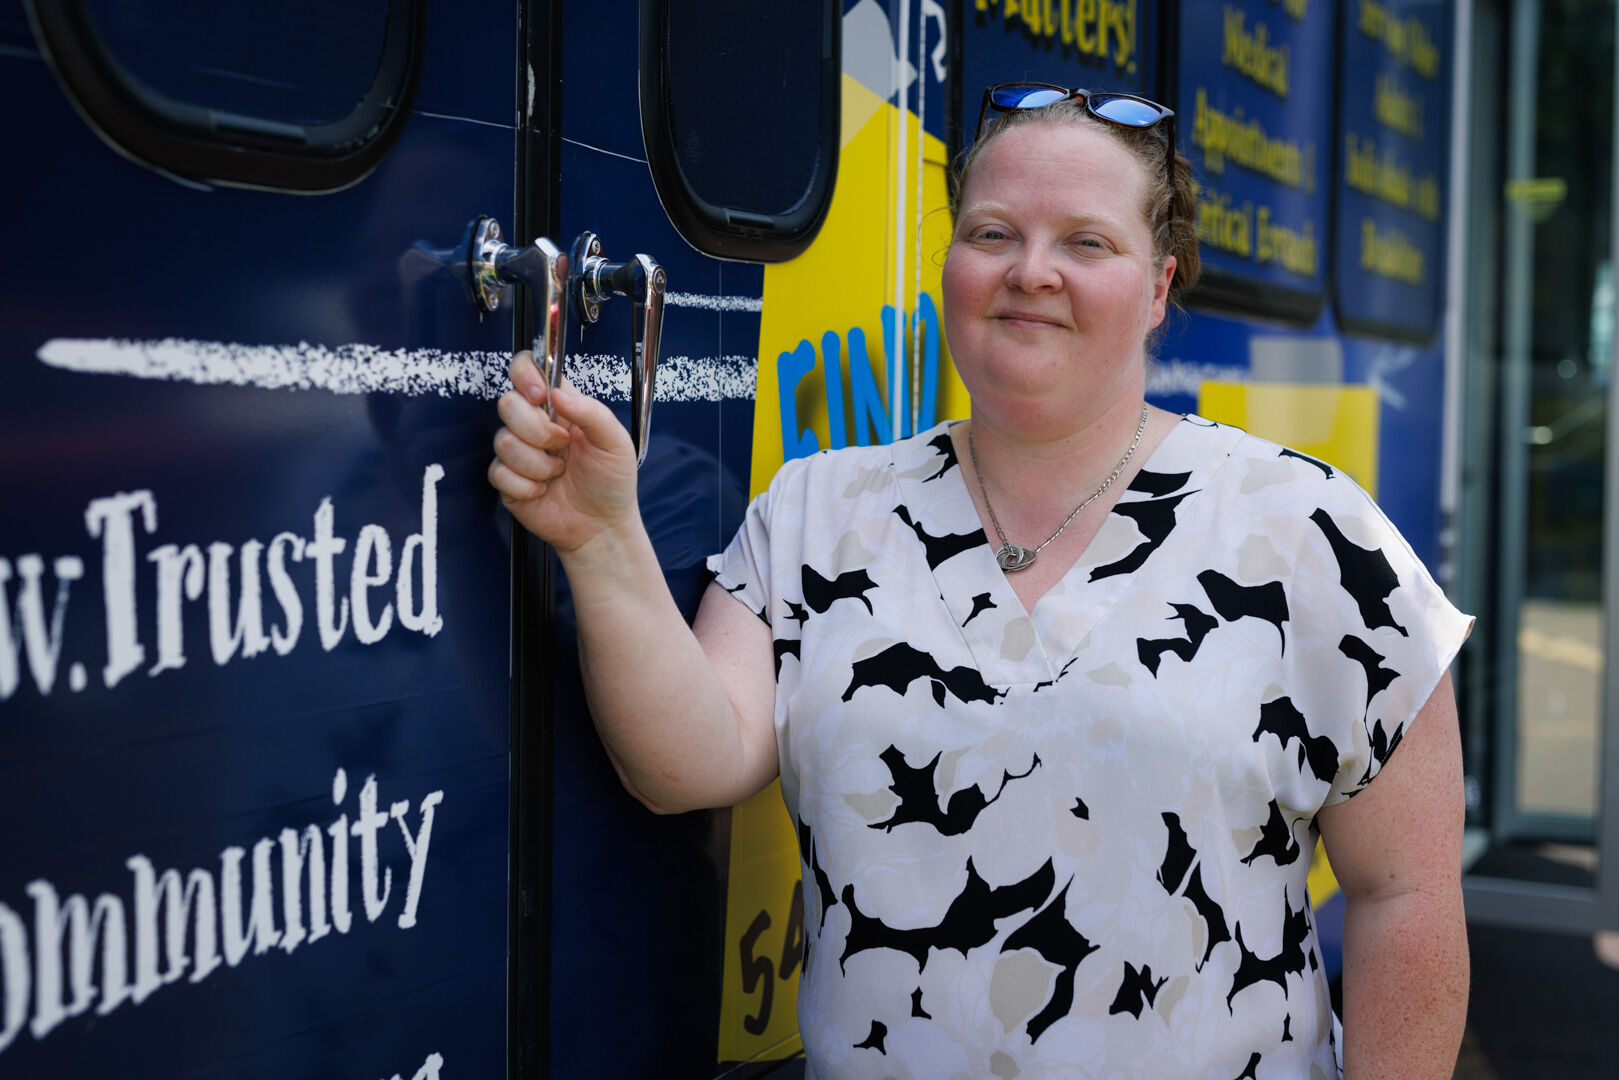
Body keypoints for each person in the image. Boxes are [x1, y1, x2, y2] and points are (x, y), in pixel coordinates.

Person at [489, 83, 1472, 1080]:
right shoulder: (818, 513)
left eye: (1085, 244)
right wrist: (600, 536)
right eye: (992, 232)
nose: (1029, 272)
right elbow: (686, 765)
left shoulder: (1307, 532)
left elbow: (1407, 895)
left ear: (1157, 285)